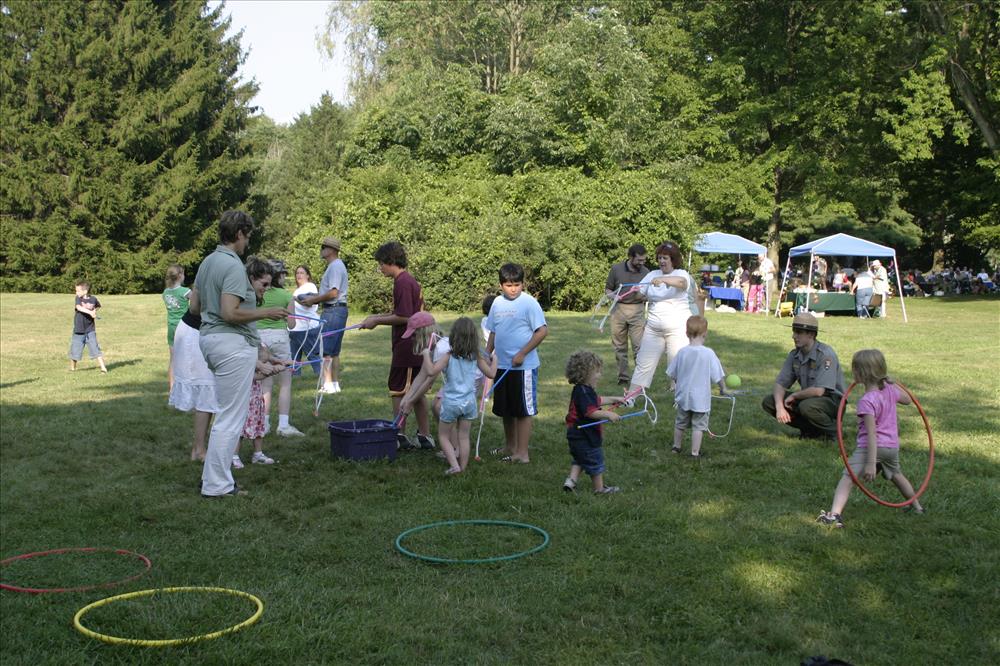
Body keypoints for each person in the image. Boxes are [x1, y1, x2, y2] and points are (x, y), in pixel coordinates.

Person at [194, 211, 288, 498]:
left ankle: (212, 478)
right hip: (230, 344)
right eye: (247, 236)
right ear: (238, 234)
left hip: (210, 340)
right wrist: (266, 312)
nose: (247, 242)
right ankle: (217, 485)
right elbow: (230, 312)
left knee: (226, 414)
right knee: (231, 418)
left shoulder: (207, 262)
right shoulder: (233, 265)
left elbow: (194, 307)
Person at [817, 349, 925, 528]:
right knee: (896, 475)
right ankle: (918, 508)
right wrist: (892, 383)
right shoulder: (890, 390)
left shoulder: (867, 401)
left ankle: (834, 515)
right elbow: (908, 400)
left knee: (848, 477)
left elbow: (872, 434)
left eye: (854, 369)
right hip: (891, 447)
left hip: (871, 448)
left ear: (861, 374)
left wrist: (870, 463)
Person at [359, 242, 435, 451]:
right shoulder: (406, 280)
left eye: (381, 264)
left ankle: (399, 435)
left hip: (408, 345)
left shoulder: (402, 282)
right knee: (417, 391)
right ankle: (425, 436)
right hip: (415, 345)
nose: (380, 268)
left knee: (398, 389)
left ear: (391, 261)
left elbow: (404, 316)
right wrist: (375, 317)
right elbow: (402, 313)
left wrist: (376, 321)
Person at [412, 317, 497, 474]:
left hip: (451, 403)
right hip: (469, 403)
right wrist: (495, 360)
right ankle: (462, 467)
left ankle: (455, 465)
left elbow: (430, 371)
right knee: (464, 436)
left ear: (453, 337)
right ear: (474, 338)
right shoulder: (476, 357)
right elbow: (491, 373)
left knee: (443, 436)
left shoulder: (448, 356)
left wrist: (425, 354)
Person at [485, 262, 548, 463]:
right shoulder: (497, 303)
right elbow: (493, 331)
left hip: (523, 367)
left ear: (523, 283)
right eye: (508, 285)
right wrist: (487, 352)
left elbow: (542, 331)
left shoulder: (529, 303)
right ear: (501, 285)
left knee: (522, 410)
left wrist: (522, 353)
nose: (513, 289)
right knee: (506, 409)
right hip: (501, 365)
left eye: (517, 285)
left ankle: (522, 453)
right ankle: (510, 446)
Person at [624, 241, 692, 399]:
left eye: (665, 258)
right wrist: (636, 290)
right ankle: (631, 398)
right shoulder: (652, 275)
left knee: (678, 364)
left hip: (677, 328)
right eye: (660, 258)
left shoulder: (681, 274)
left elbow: (681, 283)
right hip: (653, 328)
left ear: (673, 260)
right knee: (643, 363)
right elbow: (640, 295)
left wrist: (664, 280)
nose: (661, 261)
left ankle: (682, 400)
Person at [761, 312, 845, 441]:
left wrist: (794, 396)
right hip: (810, 399)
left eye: (799, 332)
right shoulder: (795, 355)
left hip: (833, 401)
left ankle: (834, 432)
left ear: (811, 334)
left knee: (806, 406)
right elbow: (780, 384)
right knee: (769, 401)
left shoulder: (825, 354)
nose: (794, 336)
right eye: (794, 332)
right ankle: (811, 430)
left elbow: (819, 391)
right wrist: (779, 407)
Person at [666, 315, 728, 458]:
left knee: (680, 423)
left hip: (683, 397)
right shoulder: (708, 353)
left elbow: (672, 373)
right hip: (700, 399)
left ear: (686, 333)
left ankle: (676, 447)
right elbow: (718, 375)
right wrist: (723, 388)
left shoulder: (682, 352)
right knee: (699, 426)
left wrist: (679, 382)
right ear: (705, 333)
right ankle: (694, 452)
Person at [562, 350, 624, 494]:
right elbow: (590, 412)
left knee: (580, 458)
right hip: (585, 435)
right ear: (585, 373)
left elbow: (596, 401)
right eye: (597, 372)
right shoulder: (584, 392)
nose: (600, 375)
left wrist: (615, 399)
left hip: (575, 434)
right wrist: (608, 414)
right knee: (595, 460)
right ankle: (599, 489)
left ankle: (570, 482)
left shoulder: (582, 390)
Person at [168, 285, 217, 461]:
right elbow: (195, 308)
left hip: (208, 332)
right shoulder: (206, 275)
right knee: (206, 392)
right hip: (195, 333)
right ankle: (198, 449)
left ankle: (200, 447)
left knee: (210, 394)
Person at [257, 260, 303, 437]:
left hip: (260, 338)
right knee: (285, 383)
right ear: (279, 276)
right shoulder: (286, 295)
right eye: (284, 274)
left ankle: (264, 423)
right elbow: (292, 324)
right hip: (279, 338)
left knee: (265, 383)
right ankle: (283, 425)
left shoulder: (257, 294)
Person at [298, 237, 348, 395]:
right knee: (334, 352)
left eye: (324, 247)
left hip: (333, 310)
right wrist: (311, 296)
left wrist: (313, 300)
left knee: (325, 350)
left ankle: (327, 385)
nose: (321, 250)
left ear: (332, 250)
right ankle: (335, 384)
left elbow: (333, 293)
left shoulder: (335, 267)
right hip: (337, 310)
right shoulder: (336, 266)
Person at [232, 344, 285, 469]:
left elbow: (266, 366)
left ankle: (258, 454)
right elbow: (258, 376)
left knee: (258, 429)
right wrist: (273, 370)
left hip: (255, 406)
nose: (265, 365)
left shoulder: (256, 365)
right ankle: (233, 456)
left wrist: (279, 365)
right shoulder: (244, 368)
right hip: (243, 405)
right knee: (239, 431)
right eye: (263, 362)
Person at [605, 244, 649, 385]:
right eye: (639, 260)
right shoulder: (616, 269)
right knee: (619, 346)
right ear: (630, 257)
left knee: (639, 346)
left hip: (637, 310)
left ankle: (639, 379)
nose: (642, 263)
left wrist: (642, 295)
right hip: (618, 310)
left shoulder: (646, 272)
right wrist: (613, 296)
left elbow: (649, 294)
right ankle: (623, 377)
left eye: (644, 260)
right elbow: (608, 289)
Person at [68, 281, 108, 373]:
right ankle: (73, 369)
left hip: (90, 329)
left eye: (78, 291)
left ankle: (103, 368)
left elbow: (98, 306)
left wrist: (94, 311)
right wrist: (90, 312)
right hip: (79, 330)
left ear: (85, 291)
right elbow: (79, 308)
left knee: (95, 348)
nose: (76, 293)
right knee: (75, 351)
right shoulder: (78, 298)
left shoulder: (93, 299)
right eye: (76, 291)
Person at [289, 265, 321, 375]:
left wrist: (294, 299)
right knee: (294, 357)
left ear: (308, 275)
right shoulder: (298, 290)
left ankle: (322, 376)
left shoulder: (310, 286)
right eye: (297, 273)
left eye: (302, 273)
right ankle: (295, 377)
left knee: (313, 355)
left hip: (307, 327)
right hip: (295, 328)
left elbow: (308, 303)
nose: (299, 275)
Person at [163, 264, 190, 390]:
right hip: (183, 327)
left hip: (171, 327)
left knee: (173, 359)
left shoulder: (166, 292)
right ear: (179, 276)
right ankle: (186, 386)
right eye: (183, 273)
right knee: (187, 357)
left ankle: (172, 388)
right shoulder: (185, 291)